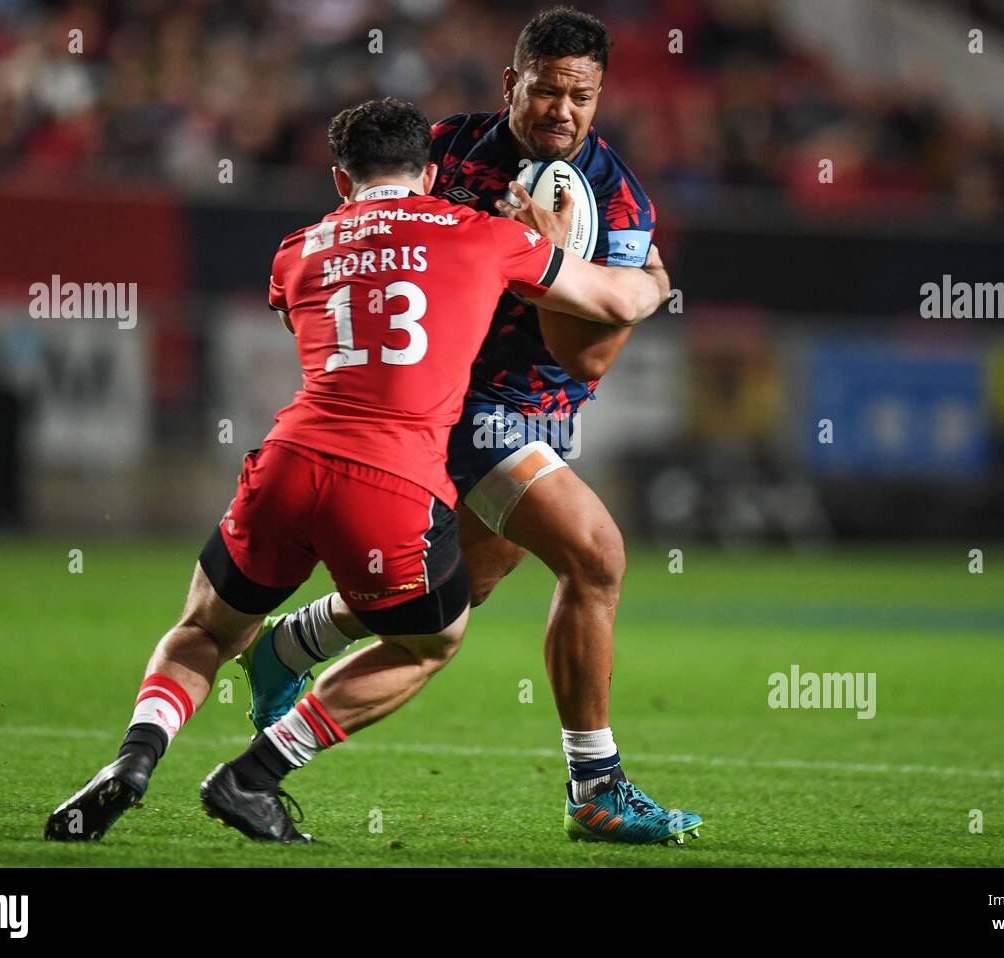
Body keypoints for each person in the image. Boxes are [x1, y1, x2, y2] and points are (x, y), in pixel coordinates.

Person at [44, 96, 670, 843]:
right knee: (429, 641)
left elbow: (308, 316)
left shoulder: (296, 250)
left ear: (340, 180)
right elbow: (614, 300)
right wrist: (649, 274)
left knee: (205, 629)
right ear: (430, 174)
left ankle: (134, 758)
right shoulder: (485, 235)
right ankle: (255, 774)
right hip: (393, 484)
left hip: (286, 464)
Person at [238, 6, 704, 844]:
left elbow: (584, 357)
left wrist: (549, 261)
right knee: (596, 557)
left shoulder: (619, 200)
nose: (563, 110)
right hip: (456, 403)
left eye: (582, 96)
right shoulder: (447, 150)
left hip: (543, 411)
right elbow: (371, 238)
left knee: (459, 589)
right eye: (548, 90)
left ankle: (289, 646)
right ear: (513, 83)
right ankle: (595, 785)